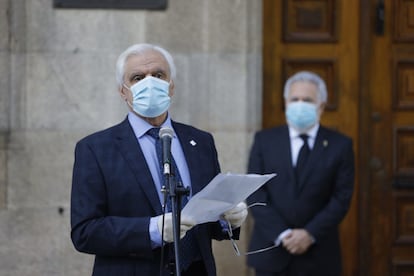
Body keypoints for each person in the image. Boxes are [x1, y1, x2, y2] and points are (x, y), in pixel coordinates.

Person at [70, 43, 248, 276]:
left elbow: (208, 219)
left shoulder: (200, 141)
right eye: (137, 77)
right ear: (123, 91)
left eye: (158, 75)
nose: (149, 83)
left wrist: (228, 220)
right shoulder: (95, 149)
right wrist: (151, 229)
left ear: (171, 86)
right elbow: (85, 232)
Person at [246, 71, 354, 276]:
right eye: (295, 99)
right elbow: (255, 192)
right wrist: (283, 234)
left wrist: (309, 234)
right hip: (272, 252)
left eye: (307, 100)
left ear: (321, 106)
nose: (300, 104)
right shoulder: (264, 141)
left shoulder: (340, 145)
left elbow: (341, 198)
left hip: (319, 256)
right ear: (286, 103)